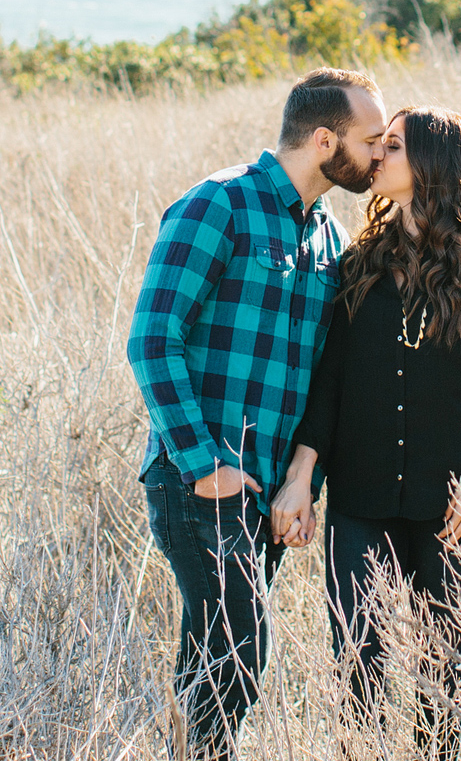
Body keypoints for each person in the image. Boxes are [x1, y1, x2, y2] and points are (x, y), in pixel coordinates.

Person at [126, 67, 388, 760]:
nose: (380, 153)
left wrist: (300, 484)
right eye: (371, 140)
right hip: (199, 481)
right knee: (238, 653)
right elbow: (153, 338)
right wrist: (204, 463)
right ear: (325, 138)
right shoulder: (220, 204)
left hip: (266, 495)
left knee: (212, 658)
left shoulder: (328, 239)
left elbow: (314, 380)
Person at [270, 106, 461, 759]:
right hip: (361, 498)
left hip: (454, 504)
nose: (377, 155)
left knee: (436, 671)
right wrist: (303, 474)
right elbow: (330, 377)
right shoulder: (359, 259)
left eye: (392, 146)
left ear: (432, 163)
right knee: (356, 662)